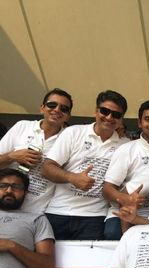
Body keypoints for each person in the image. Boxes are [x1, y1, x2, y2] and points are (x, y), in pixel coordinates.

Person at [41, 90, 128, 240]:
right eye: (105, 111)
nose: (109, 117)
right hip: (58, 211)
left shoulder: (126, 145)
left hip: (95, 217)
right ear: (96, 111)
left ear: (121, 119)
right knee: (46, 261)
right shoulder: (73, 133)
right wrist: (72, 178)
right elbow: (47, 168)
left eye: (116, 114)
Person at [102, 100, 149, 239]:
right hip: (123, 212)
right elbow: (107, 190)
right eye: (148, 119)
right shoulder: (127, 150)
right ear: (140, 123)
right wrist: (128, 199)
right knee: (112, 234)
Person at [0, 88, 72, 213]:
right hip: (4, 204)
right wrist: (13, 156)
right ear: (42, 108)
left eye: (64, 108)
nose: (57, 110)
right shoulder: (22, 126)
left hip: (38, 211)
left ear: (68, 116)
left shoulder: (70, 137)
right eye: (52, 105)